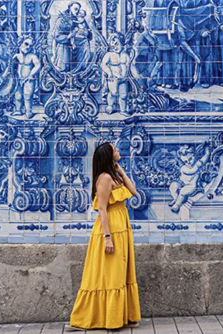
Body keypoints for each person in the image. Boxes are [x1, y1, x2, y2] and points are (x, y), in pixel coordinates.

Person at [66, 142, 141, 331]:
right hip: (110, 229)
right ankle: (93, 318)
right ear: (108, 156)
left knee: (121, 273)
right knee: (110, 275)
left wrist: (121, 170)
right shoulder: (105, 179)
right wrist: (107, 237)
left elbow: (133, 191)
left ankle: (125, 316)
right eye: (115, 150)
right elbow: (102, 209)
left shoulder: (114, 176)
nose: (118, 151)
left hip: (121, 226)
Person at [169, 144, 210, 213]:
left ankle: (177, 205)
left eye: (190, 159)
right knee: (172, 187)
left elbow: (202, 161)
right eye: (185, 161)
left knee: (182, 191)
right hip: (181, 182)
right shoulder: (184, 167)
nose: (188, 162)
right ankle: (176, 198)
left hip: (191, 185)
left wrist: (207, 153)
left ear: (194, 155)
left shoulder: (196, 165)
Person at [101, 32, 131, 115]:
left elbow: (129, 66)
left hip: (124, 79)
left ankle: (123, 110)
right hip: (113, 78)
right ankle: (110, 105)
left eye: (117, 44)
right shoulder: (109, 55)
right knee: (113, 93)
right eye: (113, 45)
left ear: (122, 43)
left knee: (124, 95)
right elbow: (103, 65)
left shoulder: (125, 55)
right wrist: (109, 73)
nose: (115, 47)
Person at [12, 36, 41, 119]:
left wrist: (31, 74)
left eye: (30, 46)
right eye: (26, 44)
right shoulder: (17, 56)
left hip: (29, 79)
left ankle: (28, 111)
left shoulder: (32, 56)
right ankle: (18, 110)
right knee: (18, 95)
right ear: (20, 43)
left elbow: (37, 65)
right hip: (18, 79)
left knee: (27, 96)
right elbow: (11, 67)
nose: (28, 47)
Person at [52, 1, 81, 72]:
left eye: (79, 10)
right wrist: (68, 37)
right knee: (63, 67)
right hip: (62, 45)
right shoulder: (61, 19)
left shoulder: (75, 19)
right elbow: (56, 35)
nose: (77, 12)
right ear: (69, 8)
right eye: (76, 9)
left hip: (70, 44)